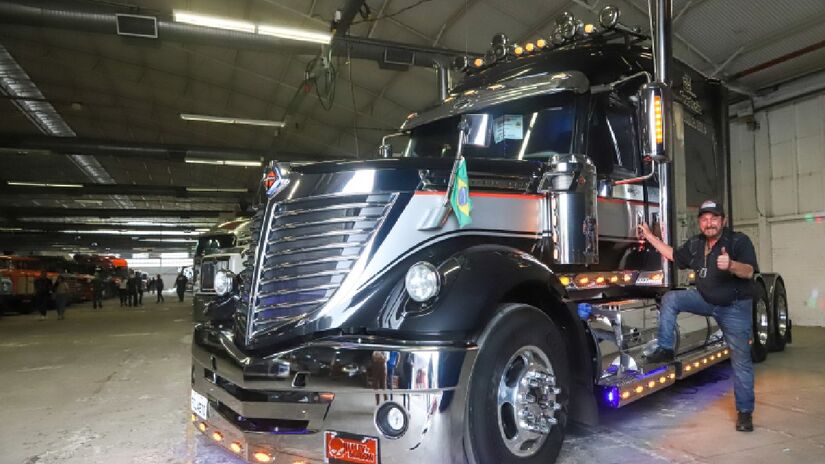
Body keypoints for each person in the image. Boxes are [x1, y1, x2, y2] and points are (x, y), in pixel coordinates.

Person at [638, 199, 758, 432]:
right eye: (705, 219)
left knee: (740, 361)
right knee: (671, 298)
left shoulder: (738, 241)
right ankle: (665, 347)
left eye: (714, 218)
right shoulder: (695, 245)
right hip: (706, 300)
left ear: (723, 220)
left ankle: (745, 413)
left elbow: (749, 271)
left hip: (734, 306)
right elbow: (673, 255)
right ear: (699, 222)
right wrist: (650, 237)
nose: (709, 223)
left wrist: (731, 264)